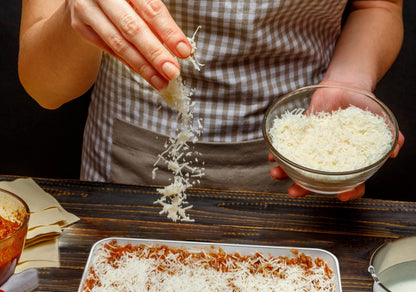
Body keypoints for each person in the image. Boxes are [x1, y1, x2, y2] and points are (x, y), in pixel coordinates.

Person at [18, 0, 404, 201]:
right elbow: (45, 87)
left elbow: (378, 6)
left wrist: (349, 80)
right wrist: (77, 11)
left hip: (299, 160)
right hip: (130, 165)